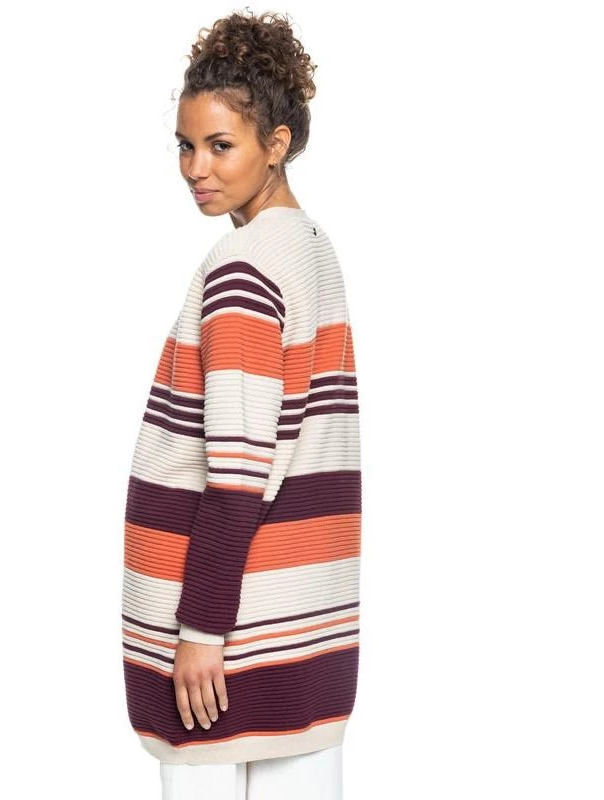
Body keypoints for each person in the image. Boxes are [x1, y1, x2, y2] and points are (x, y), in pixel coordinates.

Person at [121, 10, 362, 799]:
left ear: (277, 143)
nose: (197, 168)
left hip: (226, 645)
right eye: (185, 145)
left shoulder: (242, 268)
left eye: (220, 146)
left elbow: (236, 472)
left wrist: (199, 630)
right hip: (307, 630)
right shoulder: (312, 250)